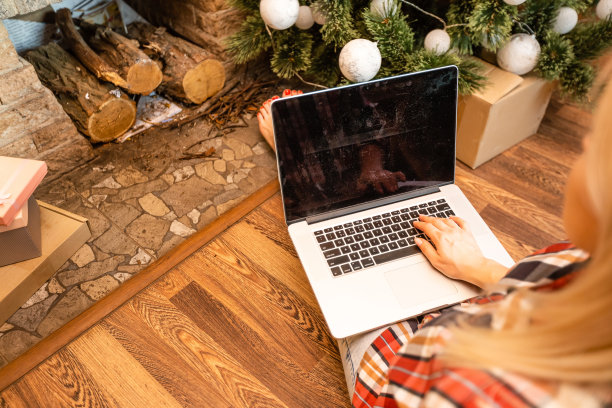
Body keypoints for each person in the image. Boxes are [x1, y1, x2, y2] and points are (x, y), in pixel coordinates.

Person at [338, 78, 612, 406]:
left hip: (399, 374)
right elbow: (548, 303)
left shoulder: (474, 391)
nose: (584, 142)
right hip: (473, 313)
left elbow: (386, 396)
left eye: (596, 143)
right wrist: (480, 267)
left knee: (350, 306)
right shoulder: (592, 266)